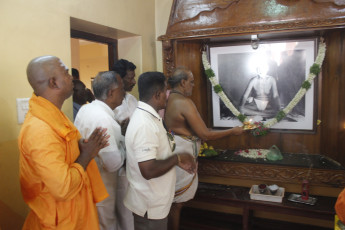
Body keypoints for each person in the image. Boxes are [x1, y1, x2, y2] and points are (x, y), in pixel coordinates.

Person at [18, 55, 110, 230]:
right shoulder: (39, 130)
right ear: (54, 83)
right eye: (67, 73)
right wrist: (86, 155)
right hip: (59, 222)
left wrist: (83, 148)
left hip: (75, 214)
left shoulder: (55, 116)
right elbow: (63, 188)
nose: (71, 78)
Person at [164, 67, 244, 230]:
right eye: (191, 82)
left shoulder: (168, 98)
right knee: (176, 204)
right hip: (181, 154)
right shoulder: (183, 102)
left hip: (175, 150)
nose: (193, 86)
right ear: (183, 82)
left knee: (174, 202)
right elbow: (205, 134)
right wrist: (233, 131)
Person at [124, 71, 197, 230]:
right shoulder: (144, 124)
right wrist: (177, 158)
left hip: (156, 202)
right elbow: (148, 170)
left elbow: (159, 153)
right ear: (157, 94)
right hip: (149, 205)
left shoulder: (151, 118)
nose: (168, 95)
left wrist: (177, 161)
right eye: (165, 91)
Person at [74, 71, 126, 230]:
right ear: (111, 93)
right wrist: (125, 146)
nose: (124, 93)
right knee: (105, 223)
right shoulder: (102, 119)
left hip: (88, 183)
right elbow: (112, 163)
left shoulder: (86, 109)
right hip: (102, 186)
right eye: (122, 89)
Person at [112, 59, 137, 230]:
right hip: (118, 163)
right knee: (122, 209)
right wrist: (121, 130)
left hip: (134, 160)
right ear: (119, 80)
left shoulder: (132, 99)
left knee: (133, 205)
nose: (133, 81)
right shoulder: (110, 102)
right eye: (130, 78)